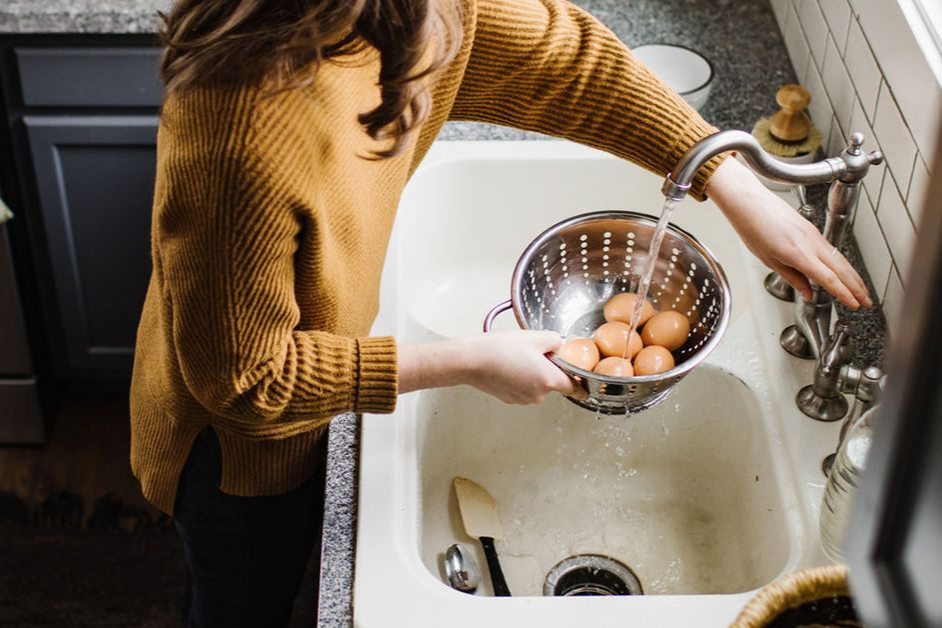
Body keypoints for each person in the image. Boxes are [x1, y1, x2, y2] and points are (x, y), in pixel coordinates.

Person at [130, 0, 872, 625]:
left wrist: (723, 175)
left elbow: (562, 61)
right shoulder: (241, 128)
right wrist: (468, 362)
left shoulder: (407, 13)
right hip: (240, 458)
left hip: (322, 374)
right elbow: (247, 380)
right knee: (244, 601)